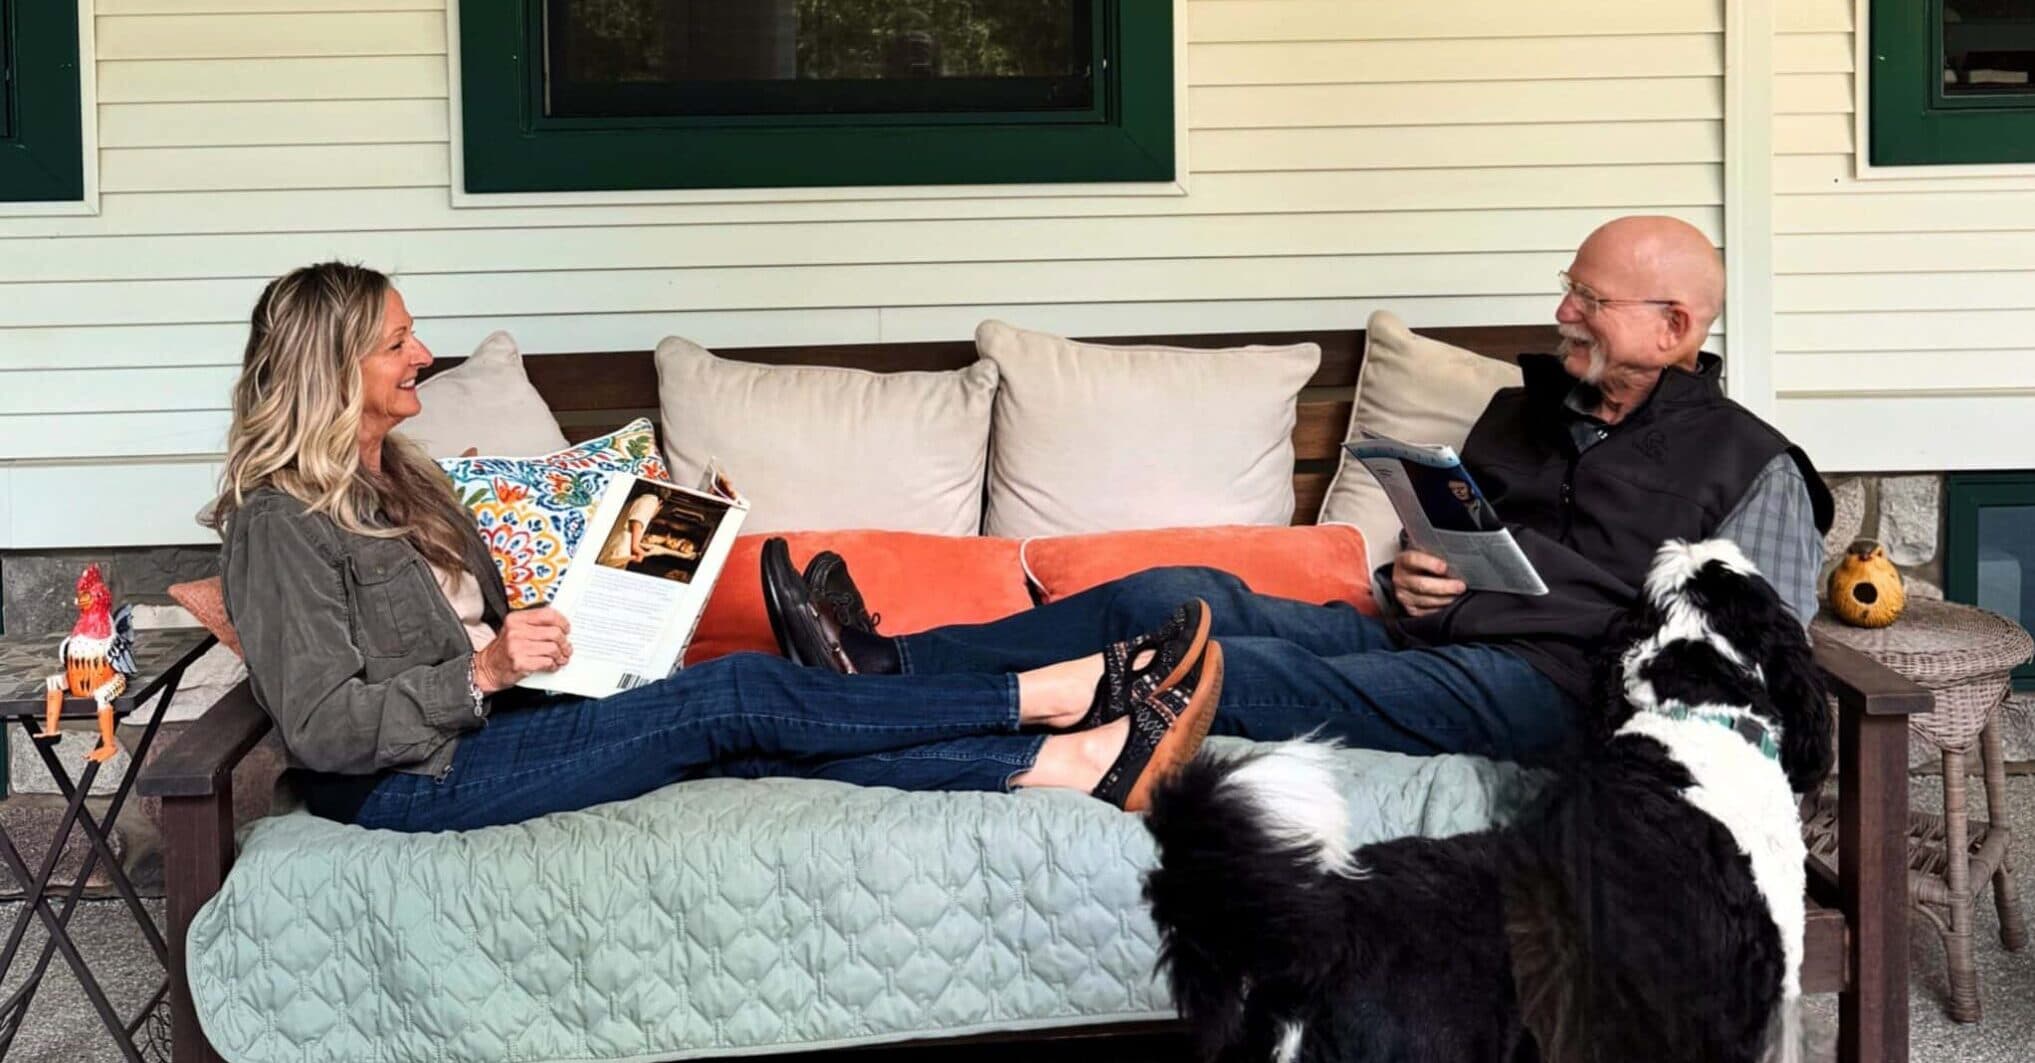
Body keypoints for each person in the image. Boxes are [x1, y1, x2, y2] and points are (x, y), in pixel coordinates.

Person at [766, 216, 1832, 765]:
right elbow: (1454, 539)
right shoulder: (1523, 403)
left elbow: (1769, 664)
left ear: (1673, 328)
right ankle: (883, 659)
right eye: (1567, 287)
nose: (1561, 310)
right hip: (1428, 636)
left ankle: (881, 710)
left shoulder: (1749, 464)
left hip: (1557, 688)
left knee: (1220, 665)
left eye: (1588, 300)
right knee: (1168, 594)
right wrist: (1415, 574)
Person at [204, 263, 1222, 833]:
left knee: (752, 725)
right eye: (396, 342)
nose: (423, 353)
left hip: (497, 721)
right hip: (419, 777)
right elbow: (326, 728)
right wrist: (480, 669)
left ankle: (1070, 761)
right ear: (330, 366)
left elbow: (495, 619)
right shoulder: (281, 519)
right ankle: (1058, 693)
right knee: (734, 695)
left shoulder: (406, 473)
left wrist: (656, 543)